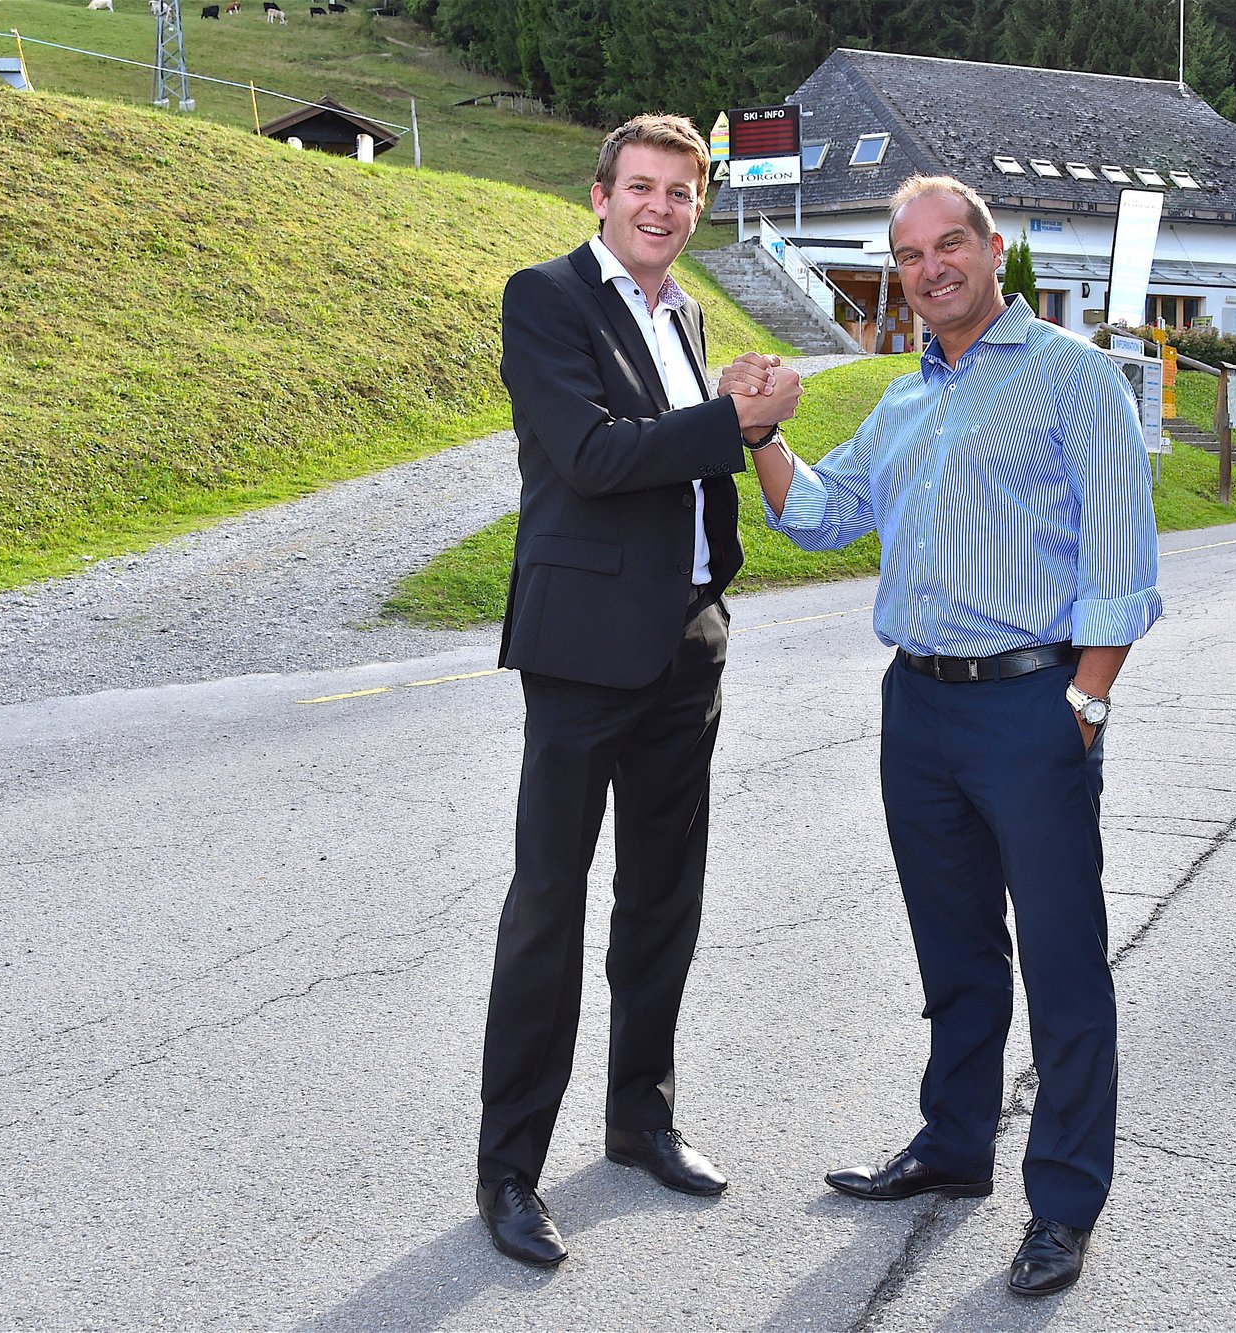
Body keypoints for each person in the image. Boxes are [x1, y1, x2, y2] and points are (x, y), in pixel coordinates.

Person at [719, 173, 1161, 1298]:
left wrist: (1087, 701)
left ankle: (1062, 1201)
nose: (930, 269)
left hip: (1031, 706)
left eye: (948, 244)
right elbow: (820, 513)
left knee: (1062, 965)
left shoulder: (1072, 378)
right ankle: (953, 1145)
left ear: (991, 247)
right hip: (915, 711)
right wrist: (762, 434)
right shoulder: (907, 400)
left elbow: (1121, 563)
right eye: (910, 255)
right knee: (955, 952)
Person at [476, 114, 801, 1268]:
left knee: (662, 897)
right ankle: (509, 1170)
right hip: (580, 654)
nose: (660, 207)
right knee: (549, 911)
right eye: (641, 188)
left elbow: (686, 472)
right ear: (600, 195)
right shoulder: (546, 297)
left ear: (699, 206)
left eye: (681, 192)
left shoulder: (689, 314)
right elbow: (596, 456)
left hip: (687, 644)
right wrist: (737, 420)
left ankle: (639, 1120)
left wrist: (716, 573)